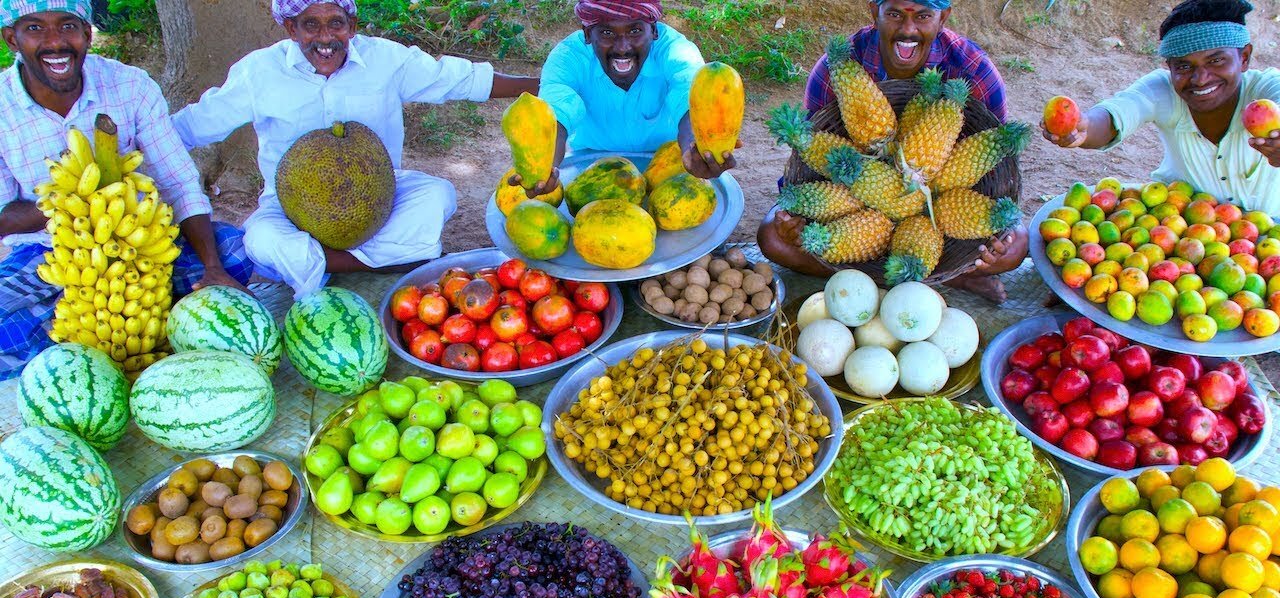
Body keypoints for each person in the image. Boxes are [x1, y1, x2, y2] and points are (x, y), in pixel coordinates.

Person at [172, 0, 539, 298]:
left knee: (438, 194)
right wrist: (134, 141)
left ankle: (321, 265)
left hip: (378, 200)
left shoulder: (386, 60)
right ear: (291, 29)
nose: (325, 37)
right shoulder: (259, 73)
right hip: (291, 209)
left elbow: (459, 79)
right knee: (261, 240)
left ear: (353, 24)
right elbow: (192, 126)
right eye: (310, 25)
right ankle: (383, 261)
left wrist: (546, 85)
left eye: (336, 23)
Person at [0, 0, 252, 379]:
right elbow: (4, 218)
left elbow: (179, 182)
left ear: (87, 33)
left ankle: (100, 334)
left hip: (141, 245)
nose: (55, 42)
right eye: (35, 28)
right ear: (12, 39)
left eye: (68, 26)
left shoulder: (131, 87)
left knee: (236, 251)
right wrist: (82, 200)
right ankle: (123, 330)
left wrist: (213, 268)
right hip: (51, 254)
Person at [756, 0, 1026, 303]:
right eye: (895, 14)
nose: (908, 29)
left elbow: (996, 165)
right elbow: (808, 165)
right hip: (853, 195)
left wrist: (995, 236)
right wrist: (792, 222)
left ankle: (904, 278)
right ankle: (947, 278)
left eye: (923, 16)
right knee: (771, 237)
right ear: (875, 12)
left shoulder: (974, 69)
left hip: (947, 204)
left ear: (943, 18)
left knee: (1017, 246)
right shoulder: (834, 69)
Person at [1042, 0, 1280, 214]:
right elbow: (1120, 111)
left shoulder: (1266, 89)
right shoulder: (1162, 90)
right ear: (1170, 67)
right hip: (1178, 233)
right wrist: (1084, 127)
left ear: (1245, 57)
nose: (1200, 78)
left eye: (1216, 60)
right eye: (1184, 66)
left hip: (1269, 238)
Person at [516, 0, 735, 196]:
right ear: (587, 34)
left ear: (654, 31)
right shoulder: (567, 58)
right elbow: (554, 118)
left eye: (635, 31)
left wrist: (693, 148)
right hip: (591, 164)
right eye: (607, 33)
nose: (622, 47)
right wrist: (545, 168)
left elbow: (690, 100)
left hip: (669, 163)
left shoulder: (676, 51)